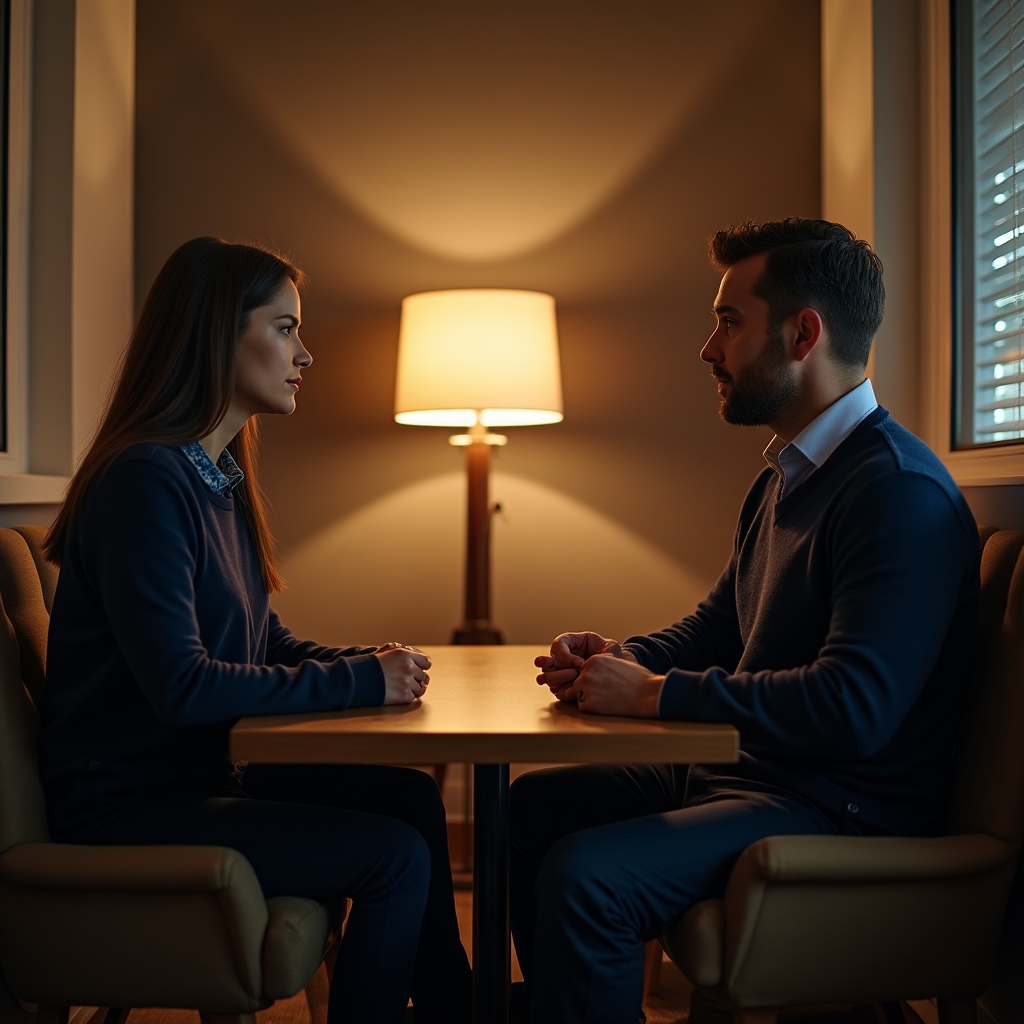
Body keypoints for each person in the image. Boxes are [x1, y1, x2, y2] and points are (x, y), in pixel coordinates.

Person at [509, 219, 979, 1024]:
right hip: (761, 773)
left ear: (803, 334)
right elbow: (718, 629)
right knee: (532, 810)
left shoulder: (895, 491)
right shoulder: (787, 477)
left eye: (729, 322)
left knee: (588, 874)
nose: (707, 348)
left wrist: (656, 695)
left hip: (838, 808)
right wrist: (614, 660)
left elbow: (854, 708)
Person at [40, 237, 471, 1024]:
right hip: (131, 807)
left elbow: (263, 643)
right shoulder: (145, 481)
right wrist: (361, 682)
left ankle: (458, 1011)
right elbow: (182, 685)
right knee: (393, 855)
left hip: (198, 777)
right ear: (215, 334)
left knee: (409, 801)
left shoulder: (214, 477)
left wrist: (369, 662)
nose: (304, 354)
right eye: (283, 328)